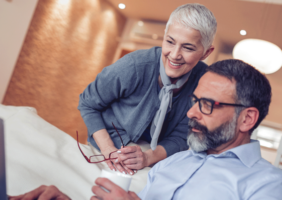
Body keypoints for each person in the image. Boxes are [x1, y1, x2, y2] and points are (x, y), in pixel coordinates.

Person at [89, 59, 282, 199]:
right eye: (194, 100)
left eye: (206, 104)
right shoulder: (170, 163)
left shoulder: (270, 184)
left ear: (247, 119)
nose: (190, 113)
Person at [77, 3, 216, 175]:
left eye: (188, 47)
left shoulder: (204, 82)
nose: (174, 55)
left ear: (206, 53)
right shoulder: (133, 66)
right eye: (170, 42)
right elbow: (88, 103)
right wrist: (108, 149)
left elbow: (182, 136)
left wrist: (147, 157)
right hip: (107, 145)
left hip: (156, 157)